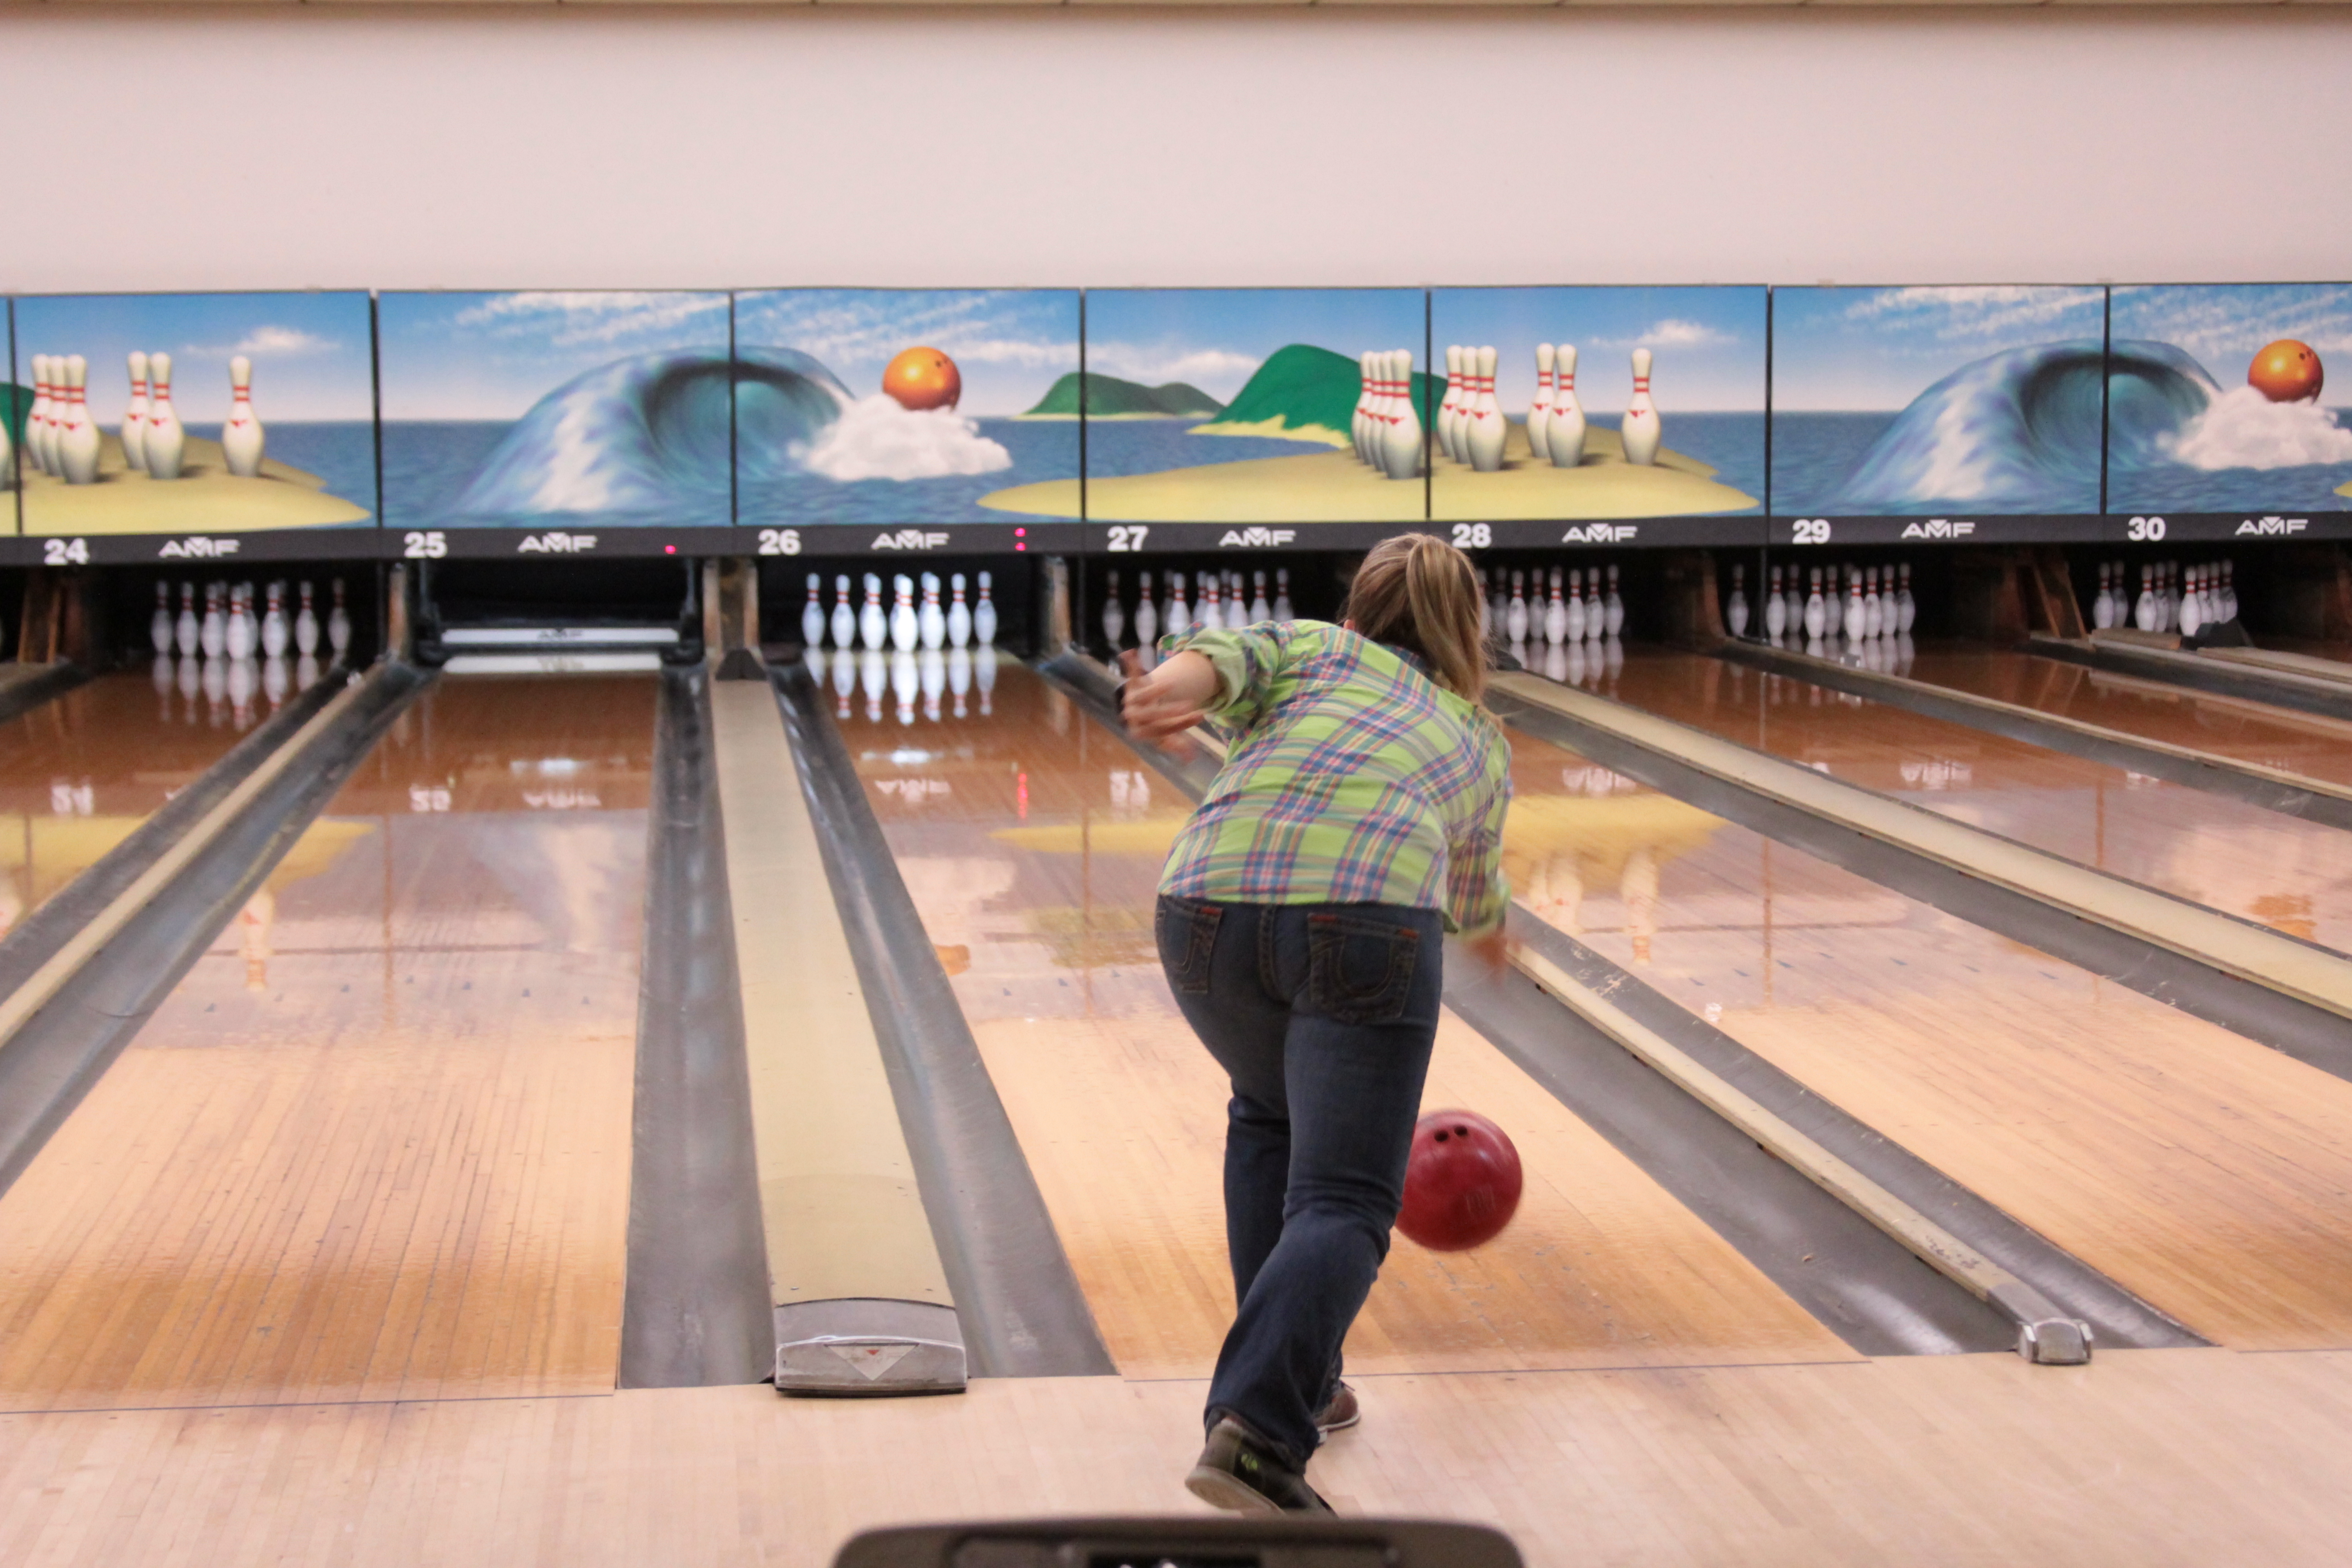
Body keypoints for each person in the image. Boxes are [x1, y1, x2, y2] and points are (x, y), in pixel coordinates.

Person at [1119, 533, 1513, 1514]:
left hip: (1201, 914)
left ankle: (1304, 1383)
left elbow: (1219, 659)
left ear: (1357, 615)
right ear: (1467, 632)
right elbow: (1472, 901)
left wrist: (1170, 687)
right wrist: (1500, 942)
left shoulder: (1310, 649)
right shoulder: (1474, 737)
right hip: (1366, 927)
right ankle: (1257, 1433)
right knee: (1343, 1198)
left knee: (1268, 1115)